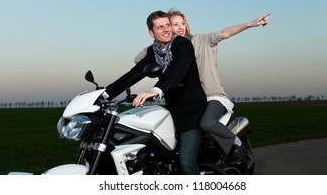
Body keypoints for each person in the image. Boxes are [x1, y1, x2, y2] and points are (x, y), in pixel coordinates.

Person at [134, 9, 271, 165]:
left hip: (212, 96)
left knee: (206, 123)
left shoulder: (200, 40)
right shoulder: (169, 51)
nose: (180, 27)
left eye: (182, 23)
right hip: (190, 100)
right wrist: (156, 43)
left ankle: (235, 143)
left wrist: (252, 23)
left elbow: (224, 33)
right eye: (174, 24)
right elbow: (137, 59)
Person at [105, 10, 207, 175]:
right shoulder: (154, 52)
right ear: (151, 32)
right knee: (164, 158)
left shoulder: (182, 45)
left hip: (191, 109)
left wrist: (155, 90)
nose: (166, 30)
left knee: (186, 163)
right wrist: (105, 94)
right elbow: (133, 74)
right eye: (160, 27)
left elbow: (177, 71)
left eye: (168, 25)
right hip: (172, 109)